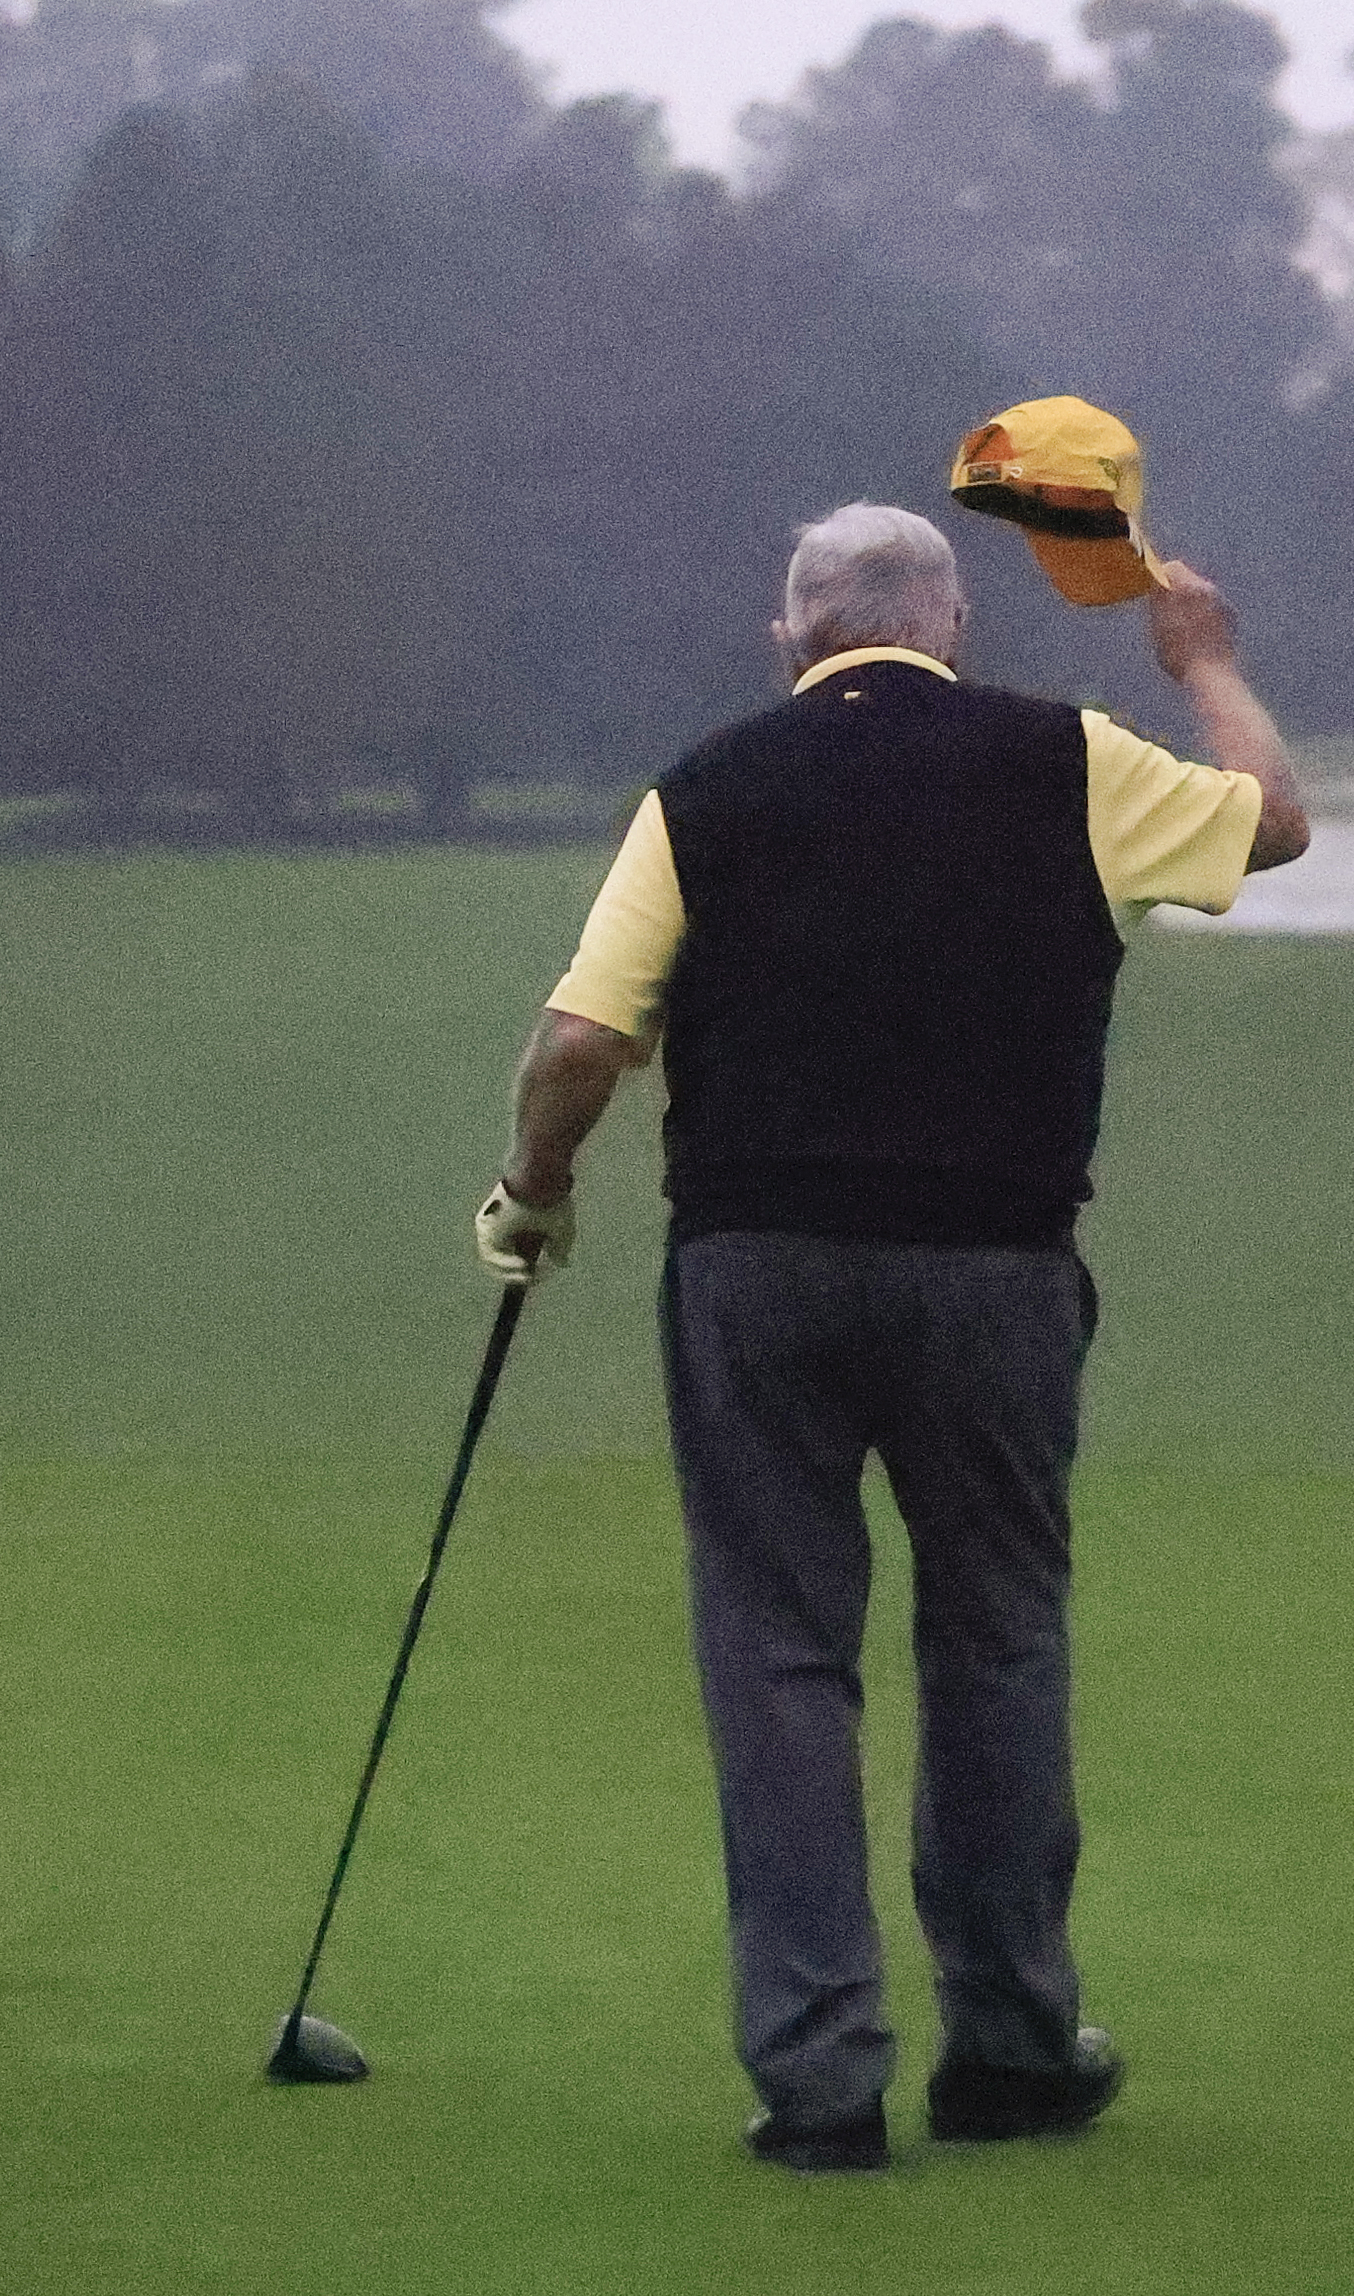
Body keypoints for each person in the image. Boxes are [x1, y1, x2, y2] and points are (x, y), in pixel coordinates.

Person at [472, 497, 1305, 2172]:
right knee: (996, 1634)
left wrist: (533, 1193)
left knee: (780, 1654)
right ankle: (1006, 2046)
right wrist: (1204, 662)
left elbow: (578, 1043)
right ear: (952, 636)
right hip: (997, 1269)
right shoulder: (1067, 761)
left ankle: (820, 2075)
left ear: (794, 642)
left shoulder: (702, 790)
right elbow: (1274, 822)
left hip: (758, 1269)